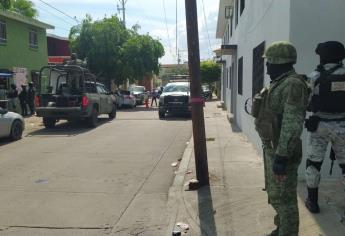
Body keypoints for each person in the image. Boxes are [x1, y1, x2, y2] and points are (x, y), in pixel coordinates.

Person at [252, 41, 309, 236]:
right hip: (273, 148)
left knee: (285, 199)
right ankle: (281, 228)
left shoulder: (292, 84)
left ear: (279, 62)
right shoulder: (280, 82)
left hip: (282, 152)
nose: (267, 68)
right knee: (275, 195)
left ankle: (288, 232)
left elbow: (292, 123)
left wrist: (282, 156)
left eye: (269, 63)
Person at [304, 41, 345, 214]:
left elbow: (305, 102)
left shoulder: (314, 76)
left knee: (313, 164)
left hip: (319, 126)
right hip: (343, 126)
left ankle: (312, 203)